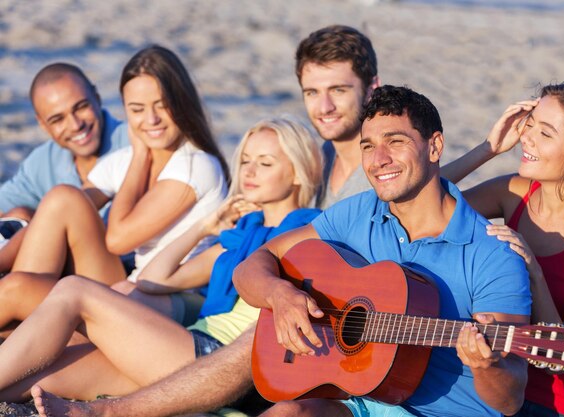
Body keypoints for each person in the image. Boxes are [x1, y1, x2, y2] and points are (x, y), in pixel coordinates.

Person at [232, 85, 531, 417]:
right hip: (361, 400)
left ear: (434, 147)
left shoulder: (493, 256)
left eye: (395, 141)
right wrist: (278, 295)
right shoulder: (360, 211)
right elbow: (252, 266)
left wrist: (486, 366)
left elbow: (509, 399)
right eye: (368, 146)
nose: (378, 160)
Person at [0, 116, 323, 417]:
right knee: (45, 372)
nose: (250, 171)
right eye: (245, 161)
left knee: (73, 291)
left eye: (265, 163)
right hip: (181, 351)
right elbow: (155, 279)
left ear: (298, 172)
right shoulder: (240, 239)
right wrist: (204, 228)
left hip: (219, 362)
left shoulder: (307, 235)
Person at [0, 44, 229, 330]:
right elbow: (60, 210)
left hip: (167, 299)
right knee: (60, 199)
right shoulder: (121, 159)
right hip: (129, 285)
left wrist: (139, 159)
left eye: (162, 105)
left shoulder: (195, 165)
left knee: (16, 289)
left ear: (181, 101)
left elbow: (118, 240)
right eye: (137, 109)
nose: (151, 119)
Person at [442, 81, 564, 417]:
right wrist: (488, 149)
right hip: (501, 383)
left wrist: (533, 271)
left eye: (545, 132)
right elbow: (421, 205)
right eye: (530, 123)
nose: (526, 137)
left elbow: (563, 358)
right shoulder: (513, 191)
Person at [0, 63, 128, 271]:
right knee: (19, 214)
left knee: (63, 200)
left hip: (122, 276)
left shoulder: (135, 143)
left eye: (81, 107)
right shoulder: (44, 160)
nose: (75, 125)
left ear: (97, 98)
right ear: (42, 124)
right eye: (57, 119)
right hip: (66, 277)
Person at [296, 25, 380, 208]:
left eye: (338, 90)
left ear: (371, 89)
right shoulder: (323, 156)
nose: (325, 107)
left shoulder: (385, 165)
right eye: (312, 92)